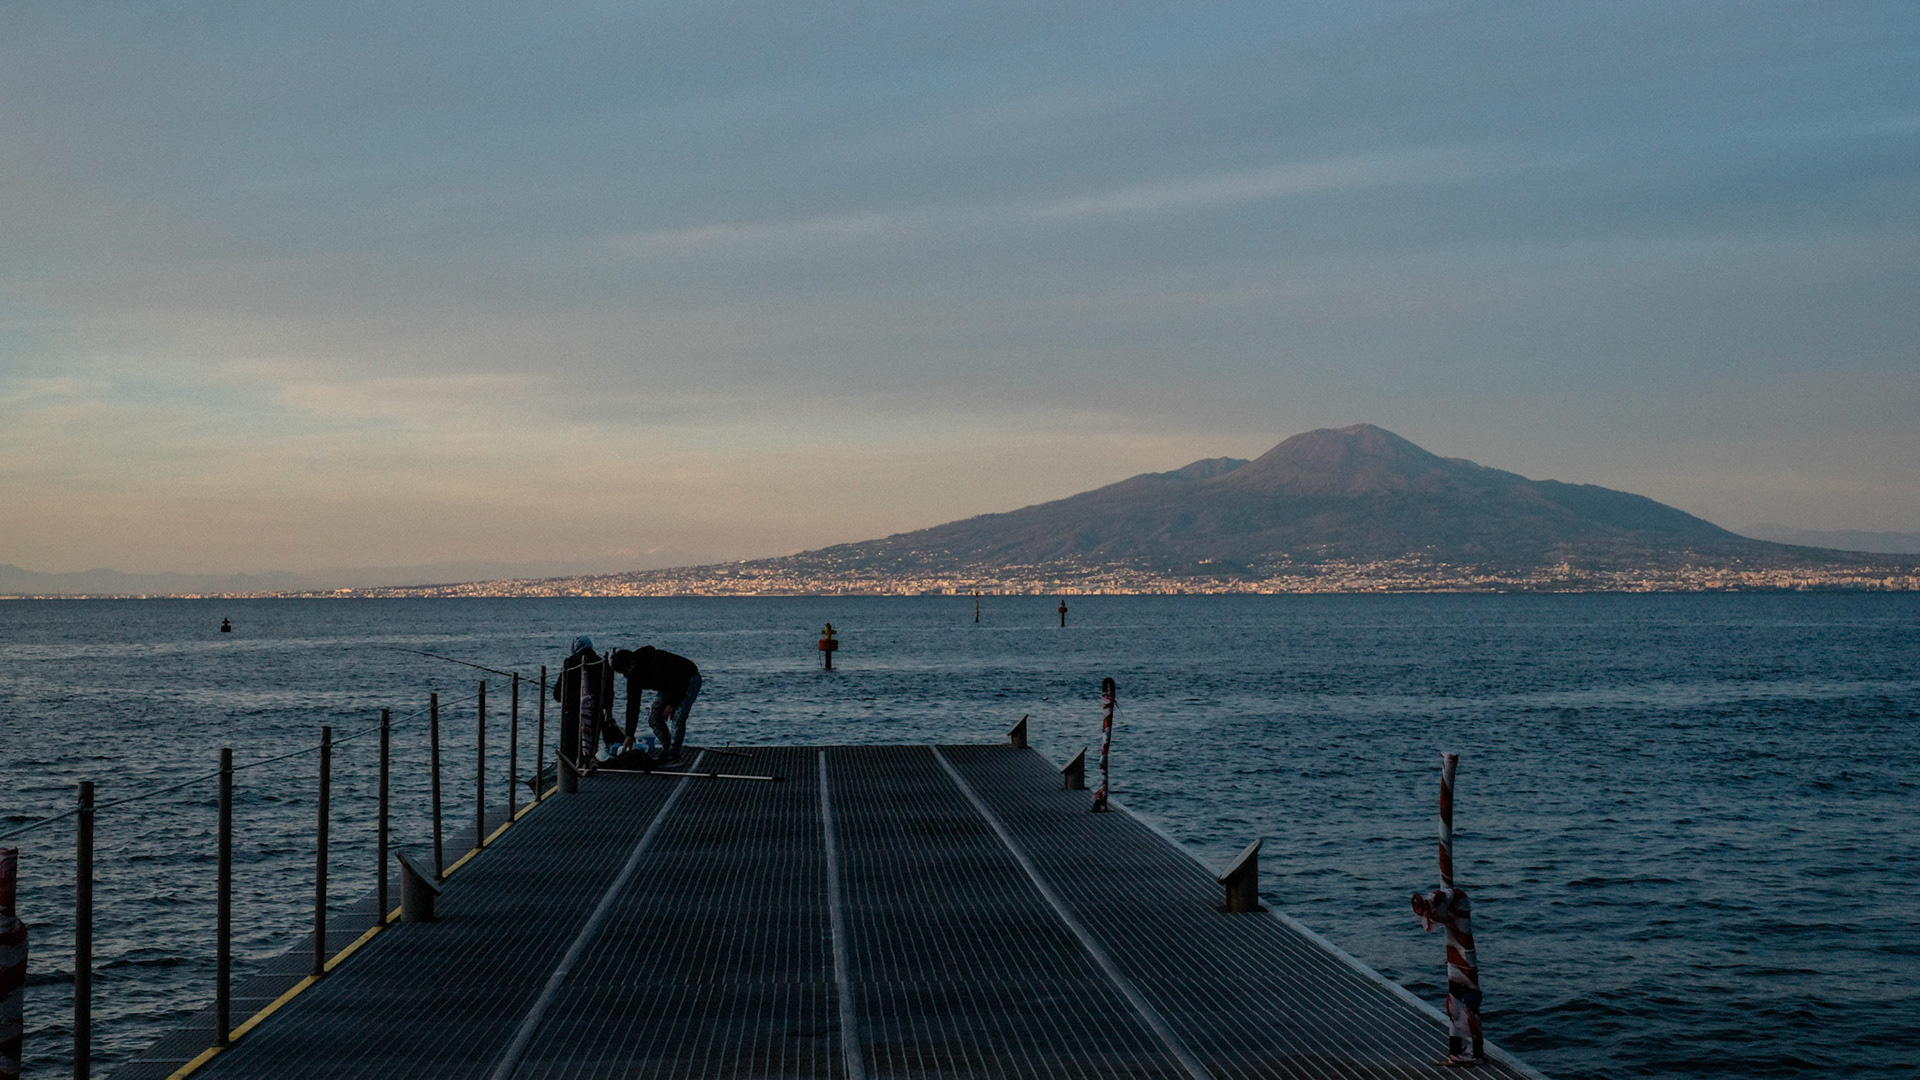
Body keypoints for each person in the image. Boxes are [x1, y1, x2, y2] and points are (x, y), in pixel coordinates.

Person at [610, 646, 701, 763]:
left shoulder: (654, 660)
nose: (626, 674)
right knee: (654, 718)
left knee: (678, 717)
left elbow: (677, 679)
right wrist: (630, 734)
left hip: (688, 679)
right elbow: (633, 705)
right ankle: (669, 748)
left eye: (626, 670)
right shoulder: (632, 677)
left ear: (632, 663)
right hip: (667, 687)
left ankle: (674, 754)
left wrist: (671, 704)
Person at [553, 636, 619, 771]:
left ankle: (570, 775)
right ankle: (588, 764)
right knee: (590, 744)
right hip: (595, 713)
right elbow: (609, 694)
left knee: (570, 747)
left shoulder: (569, 663)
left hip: (572, 713)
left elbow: (558, 694)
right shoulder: (602, 662)